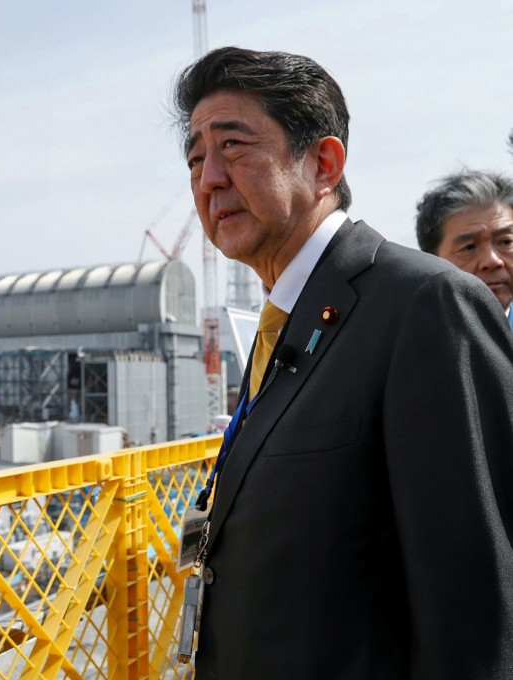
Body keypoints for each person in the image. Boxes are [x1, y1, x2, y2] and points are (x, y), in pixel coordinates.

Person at [172, 46, 513, 679]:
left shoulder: (425, 303)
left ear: (323, 163)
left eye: (233, 147)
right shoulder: (289, 317)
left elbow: (475, 606)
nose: (208, 178)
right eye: (195, 158)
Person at [415, 169, 513, 329]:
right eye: (469, 247)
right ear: (431, 260)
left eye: (505, 242)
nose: (492, 261)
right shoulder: (409, 341)